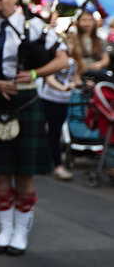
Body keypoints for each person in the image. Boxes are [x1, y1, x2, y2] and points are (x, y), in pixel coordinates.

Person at [0, 0, 67, 256]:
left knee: (23, 173)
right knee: (0, 172)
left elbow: (63, 60)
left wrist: (36, 74)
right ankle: (5, 229)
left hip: (26, 103)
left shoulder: (37, 27)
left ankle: (21, 231)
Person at [40, 33, 82, 181]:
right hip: (50, 98)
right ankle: (56, 164)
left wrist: (79, 83)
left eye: (70, 42)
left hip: (64, 101)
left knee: (55, 132)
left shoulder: (73, 62)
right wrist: (62, 88)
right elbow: (50, 78)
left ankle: (51, 162)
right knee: (50, 132)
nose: (67, 46)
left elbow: (75, 77)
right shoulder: (55, 60)